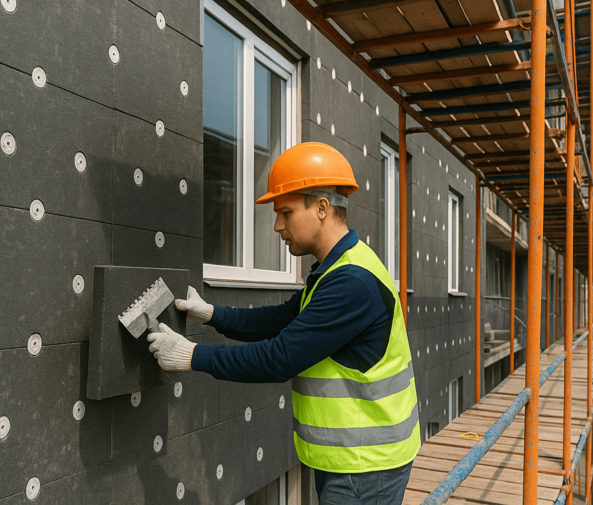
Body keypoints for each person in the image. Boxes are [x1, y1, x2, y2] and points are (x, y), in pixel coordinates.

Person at [147, 142, 420, 504]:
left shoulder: (352, 283)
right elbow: (281, 319)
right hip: (354, 458)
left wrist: (191, 355)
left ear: (322, 208)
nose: (277, 226)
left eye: (286, 212)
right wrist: (211, 314)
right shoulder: (336, 268)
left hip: (364, 467)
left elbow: (280, 357)